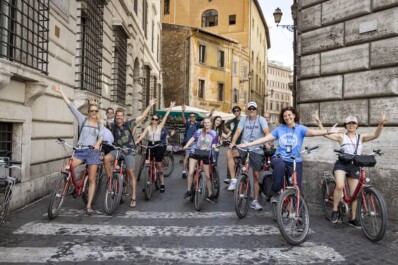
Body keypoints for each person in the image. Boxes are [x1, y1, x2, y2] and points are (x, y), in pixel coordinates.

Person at [238, 106, 344, 209]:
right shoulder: (279, 129)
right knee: (279, 164)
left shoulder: (300, 129)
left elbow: (314, 132)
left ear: (294, 115)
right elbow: (266, 138)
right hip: (279, 158)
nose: (287, 117)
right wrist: (249, 144)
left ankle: (297, 213)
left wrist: (328, 131)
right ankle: (276, 193)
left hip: (295, 160)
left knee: (296, 187)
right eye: (285, 116)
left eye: (289, 115)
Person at [313, 111, 388, 228]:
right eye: (349, 123)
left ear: (357, 125)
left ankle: (352, 219)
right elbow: (325, 135)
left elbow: (375, 135)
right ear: (345, 125)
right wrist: (318, 121)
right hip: (342, 164)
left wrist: (381, 124)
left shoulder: (361, 137)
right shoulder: (341, 137)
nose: (351, 125)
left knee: (354, 194)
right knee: (339, 185)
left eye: (353, 123)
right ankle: (334, 211)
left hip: (354, 165)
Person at [52, 84, 105, 215]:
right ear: (88, 112)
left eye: (95, 111)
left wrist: (98, 144)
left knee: (92, 180)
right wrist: (61, 92)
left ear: (98, 113)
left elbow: (101, 137)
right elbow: (71, 107)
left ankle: (88, 206)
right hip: (81, 151)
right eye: (91, 111)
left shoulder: (100, 124)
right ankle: (67, 186)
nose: (93, 113)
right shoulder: (83, 120)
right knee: (65, 168)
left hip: (93, 153)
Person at [104, 98, 157, 208]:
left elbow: (141, 117)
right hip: (117, 150)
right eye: (117, 115)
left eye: (121, 115)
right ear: (115, 117)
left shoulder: (129, 124)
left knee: (131, 172)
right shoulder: (112, 125)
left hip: (129, 150)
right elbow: (100, 121)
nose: (119, 117)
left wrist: (149, 106)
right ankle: (111, 181)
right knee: (106, 159)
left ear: (123, 116)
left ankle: (133, 197)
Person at [227, 102, 270, 211]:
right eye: (250, 108)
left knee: (256, 175)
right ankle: (233, 179)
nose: (251, 110)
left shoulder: (261, 119)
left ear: (256, 109)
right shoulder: (244, 119)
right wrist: (233, 142)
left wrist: (267, 142)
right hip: (244, 146)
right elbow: (237, 131)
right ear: (247, 110)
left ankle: (255, 201)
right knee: (230, 153)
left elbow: (266, 131)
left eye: (253, 108)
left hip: (256, 149)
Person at [136, 102, 176, 193]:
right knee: (147, 163)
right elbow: (142, 135)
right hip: (150, 145)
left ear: (158, 120)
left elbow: (165, 116)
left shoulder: (160, 126)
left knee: (158, 165)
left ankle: (162, 184)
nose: (154, 120)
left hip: (158, 145)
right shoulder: (148, 127)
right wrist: (137, 141)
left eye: (156, 119)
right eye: (153, 119)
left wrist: (170, 107)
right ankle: (147, 182)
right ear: (151, 119)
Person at [183, 117, 219, 203]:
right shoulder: (199, 131)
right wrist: (186, 145)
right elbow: (192, 139)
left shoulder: (214, 133)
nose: (207, 124)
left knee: (207, 175)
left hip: (206, 154)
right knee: (191, 172)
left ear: (211, 123)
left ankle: (210, 194)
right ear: (203, 123)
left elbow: (214, 144)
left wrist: (215, 148)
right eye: (205, 123)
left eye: (208, 122)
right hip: (195, 152)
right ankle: (188, 191)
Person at [181, 105, 214, 178]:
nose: (192, 117)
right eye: (191, 116)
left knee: (198, 158)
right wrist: (183, 111)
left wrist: (211, 114)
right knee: (186, 156)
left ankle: (197, 170)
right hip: (188, 142)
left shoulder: (197, 124)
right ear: (189, 118)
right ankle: (184, 171)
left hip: (196, 144)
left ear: (195, 117)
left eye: (193, 116)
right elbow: (183, 118)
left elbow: (205, 121)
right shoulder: (187, 123)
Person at [224, 106, 243, 184]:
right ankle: (229, 177)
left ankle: (242, 177)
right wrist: (224, 125)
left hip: (242, 143)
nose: (236, 112)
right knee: (229, 157)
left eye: (237, 110)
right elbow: (227, 131)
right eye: (234, 111)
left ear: (240, 111)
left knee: (243, 161)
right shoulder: (231, 121)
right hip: (233, 143)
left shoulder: (244, 120)